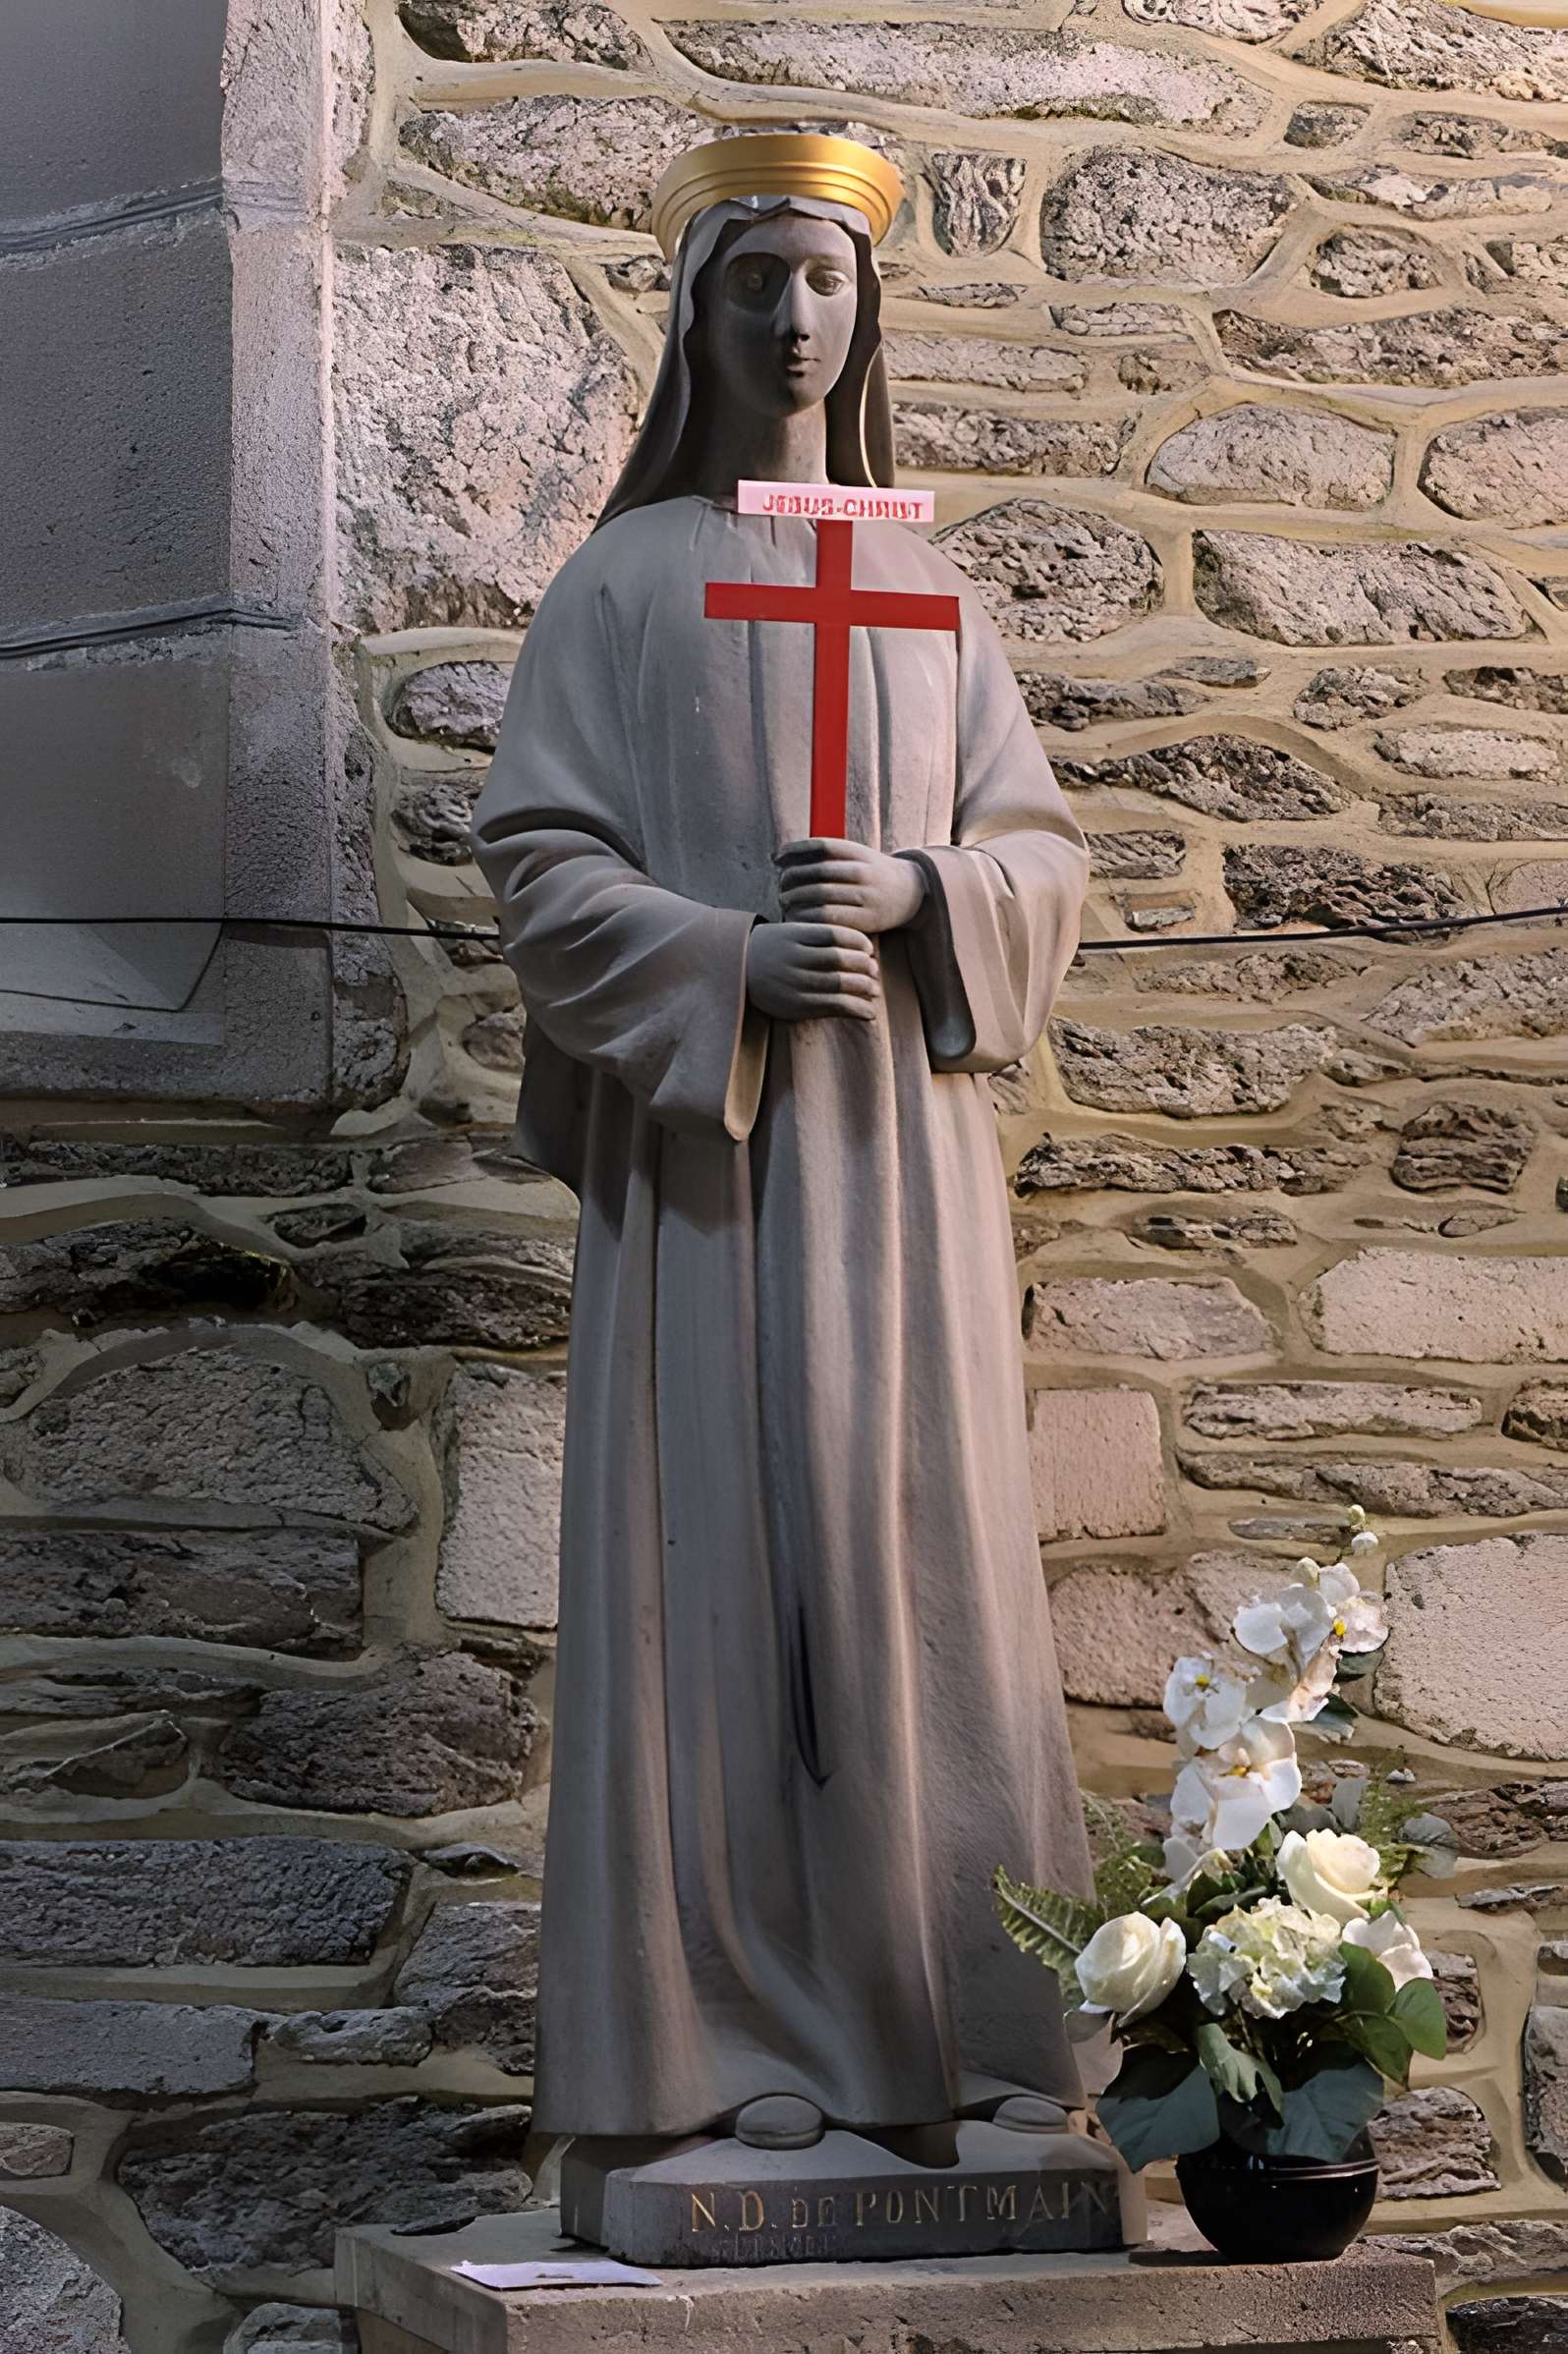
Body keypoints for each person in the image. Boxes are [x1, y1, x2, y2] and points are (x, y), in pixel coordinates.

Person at [473, 133, 1093, 2164]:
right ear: (697, 311)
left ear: (866, 309)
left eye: (826, 281)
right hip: (718, 1176)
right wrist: (729, 955)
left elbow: (1038, 851)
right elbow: (538, 856)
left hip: (906, 1172)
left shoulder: (929, 590)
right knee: (720, 1586)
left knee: (926, 1562)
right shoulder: (622, 583)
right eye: (757, 281)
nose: (796, 318)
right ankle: (722, 2044)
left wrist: (923, 894)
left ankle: (961, 2031)